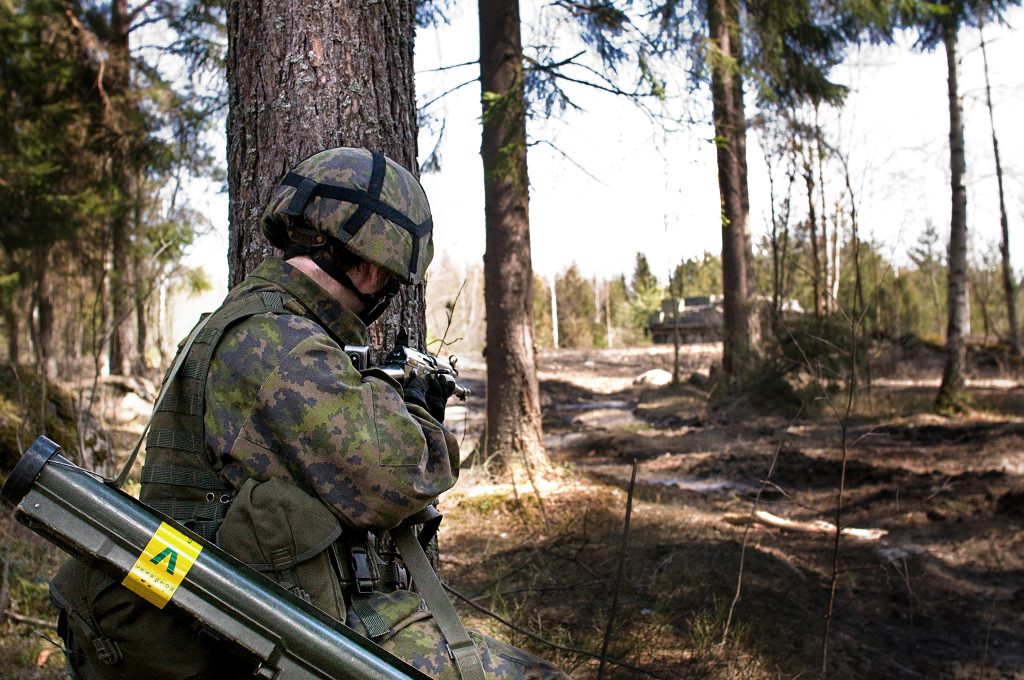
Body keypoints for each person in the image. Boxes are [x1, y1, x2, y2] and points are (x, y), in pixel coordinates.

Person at [50, 147, 568, 680]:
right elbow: (401, 478)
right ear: (369, 269)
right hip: (253, 634)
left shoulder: (249, 322)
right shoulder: (280, 345)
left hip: (249, 616)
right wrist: (420, 415)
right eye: (389, 281)